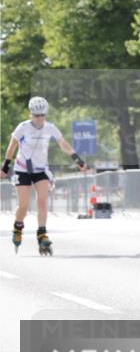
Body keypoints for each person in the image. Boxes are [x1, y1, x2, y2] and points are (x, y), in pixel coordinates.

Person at [1, 97, 88, 255]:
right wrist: (5, 166)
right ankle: (18, 226)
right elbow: (12, 146)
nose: (39, 118)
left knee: (42, 201)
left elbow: (63, 144)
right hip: (22, 169)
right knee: (24, 206)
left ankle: (42, 234)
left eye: (42, 115)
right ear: (30, 114)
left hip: (41, 170)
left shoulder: (50, 128)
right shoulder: (23, 127)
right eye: (36, 115)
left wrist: (78, 160)